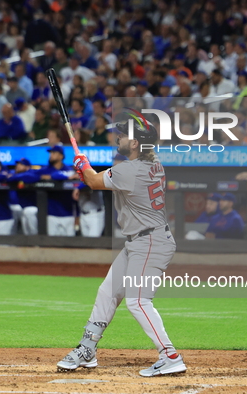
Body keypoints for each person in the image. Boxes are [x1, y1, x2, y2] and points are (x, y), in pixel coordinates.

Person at [58, 112, 186, 377]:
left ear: (137, 143)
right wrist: (86, 169)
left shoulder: (130, 169)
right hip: (141, 241)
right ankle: (87, 349)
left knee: (138, 301)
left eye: (124, 135)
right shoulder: (152, 164)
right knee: (108, 292)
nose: (118, 137)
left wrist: (83, 164)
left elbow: (93, 181)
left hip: (150, 242)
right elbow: (97, 178)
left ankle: (170, 355)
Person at [15, 146, 78, 236]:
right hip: (50, 214)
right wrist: (41, 177)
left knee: (70, 246)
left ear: (61, 156)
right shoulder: (45, 170)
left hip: (68, 213)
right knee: (51, 245)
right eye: (50, 153)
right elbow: (26, 176)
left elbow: (66, 176)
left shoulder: (68, 170)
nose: (51, 155)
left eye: (54, 153)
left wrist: (52, 176)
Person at [7, 158, 35, 234]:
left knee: (32, 231)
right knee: (25, 232)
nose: (18, 166)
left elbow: (29, 176)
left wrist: (13, 177)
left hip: (33, 208)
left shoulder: (31, 173)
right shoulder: (14, 173)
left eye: (21, 165)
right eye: (17, 164)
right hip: (20, 207)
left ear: (27, 167)